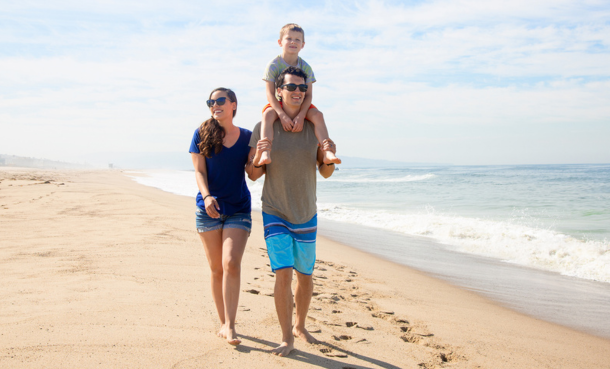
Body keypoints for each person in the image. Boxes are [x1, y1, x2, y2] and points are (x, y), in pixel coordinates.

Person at [247, 67, 337, 357]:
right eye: (291, 87)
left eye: (301, 87)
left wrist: (329, 157)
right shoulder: (265, 125)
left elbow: (325, 173)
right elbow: (252, 175)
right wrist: (260, 156)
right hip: (275, 211)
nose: (297, 91)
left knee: (305, 275)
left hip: (306, 211)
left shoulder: (314, 125)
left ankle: (300, 325)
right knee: (283, 274)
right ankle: (287, 337)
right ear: (278, 91)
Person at [189, 87, 254, 346]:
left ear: (233, 105)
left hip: (238, 208)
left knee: (231, 263)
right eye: (211, 102)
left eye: (220, 101)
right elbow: (199, 172)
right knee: (217, 269)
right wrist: (206, 197)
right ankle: (223, 323)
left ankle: (231, 326)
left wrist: (258, 157)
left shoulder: (248, 136)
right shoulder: (201, 133)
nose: (215, 105)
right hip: (208, 210)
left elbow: (252, 172)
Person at [257, 23, 341, 167]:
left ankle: (327, 152)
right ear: (280, 42)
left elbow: (308, 95)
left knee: (318, 115)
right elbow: (270, 93)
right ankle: (265, 152)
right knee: (267, 115)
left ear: (303, 45)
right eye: (289, 38)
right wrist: (281, 114)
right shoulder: (273, 65)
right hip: (279, 103)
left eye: (297, 40)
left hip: (301, 104)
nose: (293, 42)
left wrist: (302, 115)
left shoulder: (306, 67)